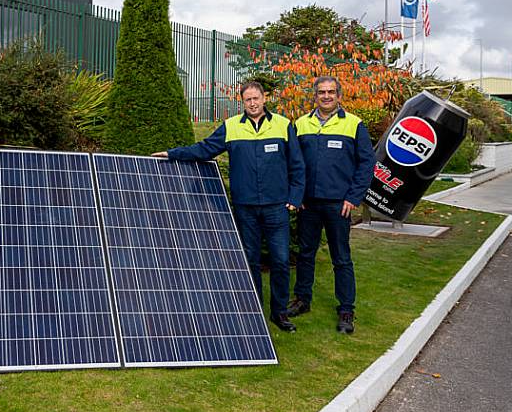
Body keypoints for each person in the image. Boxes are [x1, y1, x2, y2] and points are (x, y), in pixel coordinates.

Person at [153, 82, 305, 332]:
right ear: (242, 102)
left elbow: (297, 165)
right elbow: (203, 149)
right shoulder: (232, 127)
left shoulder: (282, 125)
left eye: (256, 98)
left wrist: (295, 196)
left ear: (264, 98)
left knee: (280, 260)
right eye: (248, 100)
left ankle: (279, 314)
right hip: (246, 207)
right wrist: (172, 154)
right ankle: (253, 312)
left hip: (276, 207)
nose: (253, 103)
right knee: (250, 261)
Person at [288, 76, 374, 334]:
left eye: (331, 92)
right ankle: (303, 300)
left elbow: (366, 164)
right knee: (305, 254)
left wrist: (353, 197)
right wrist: (297, 195)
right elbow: (293, 163)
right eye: (322, 92)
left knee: (341, 258)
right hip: (308, 205)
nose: (326, 96)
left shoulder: (353, 125)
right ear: (315, 95)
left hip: (340, 205)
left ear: (339, 95)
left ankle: (346, 309)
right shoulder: (301, 124)